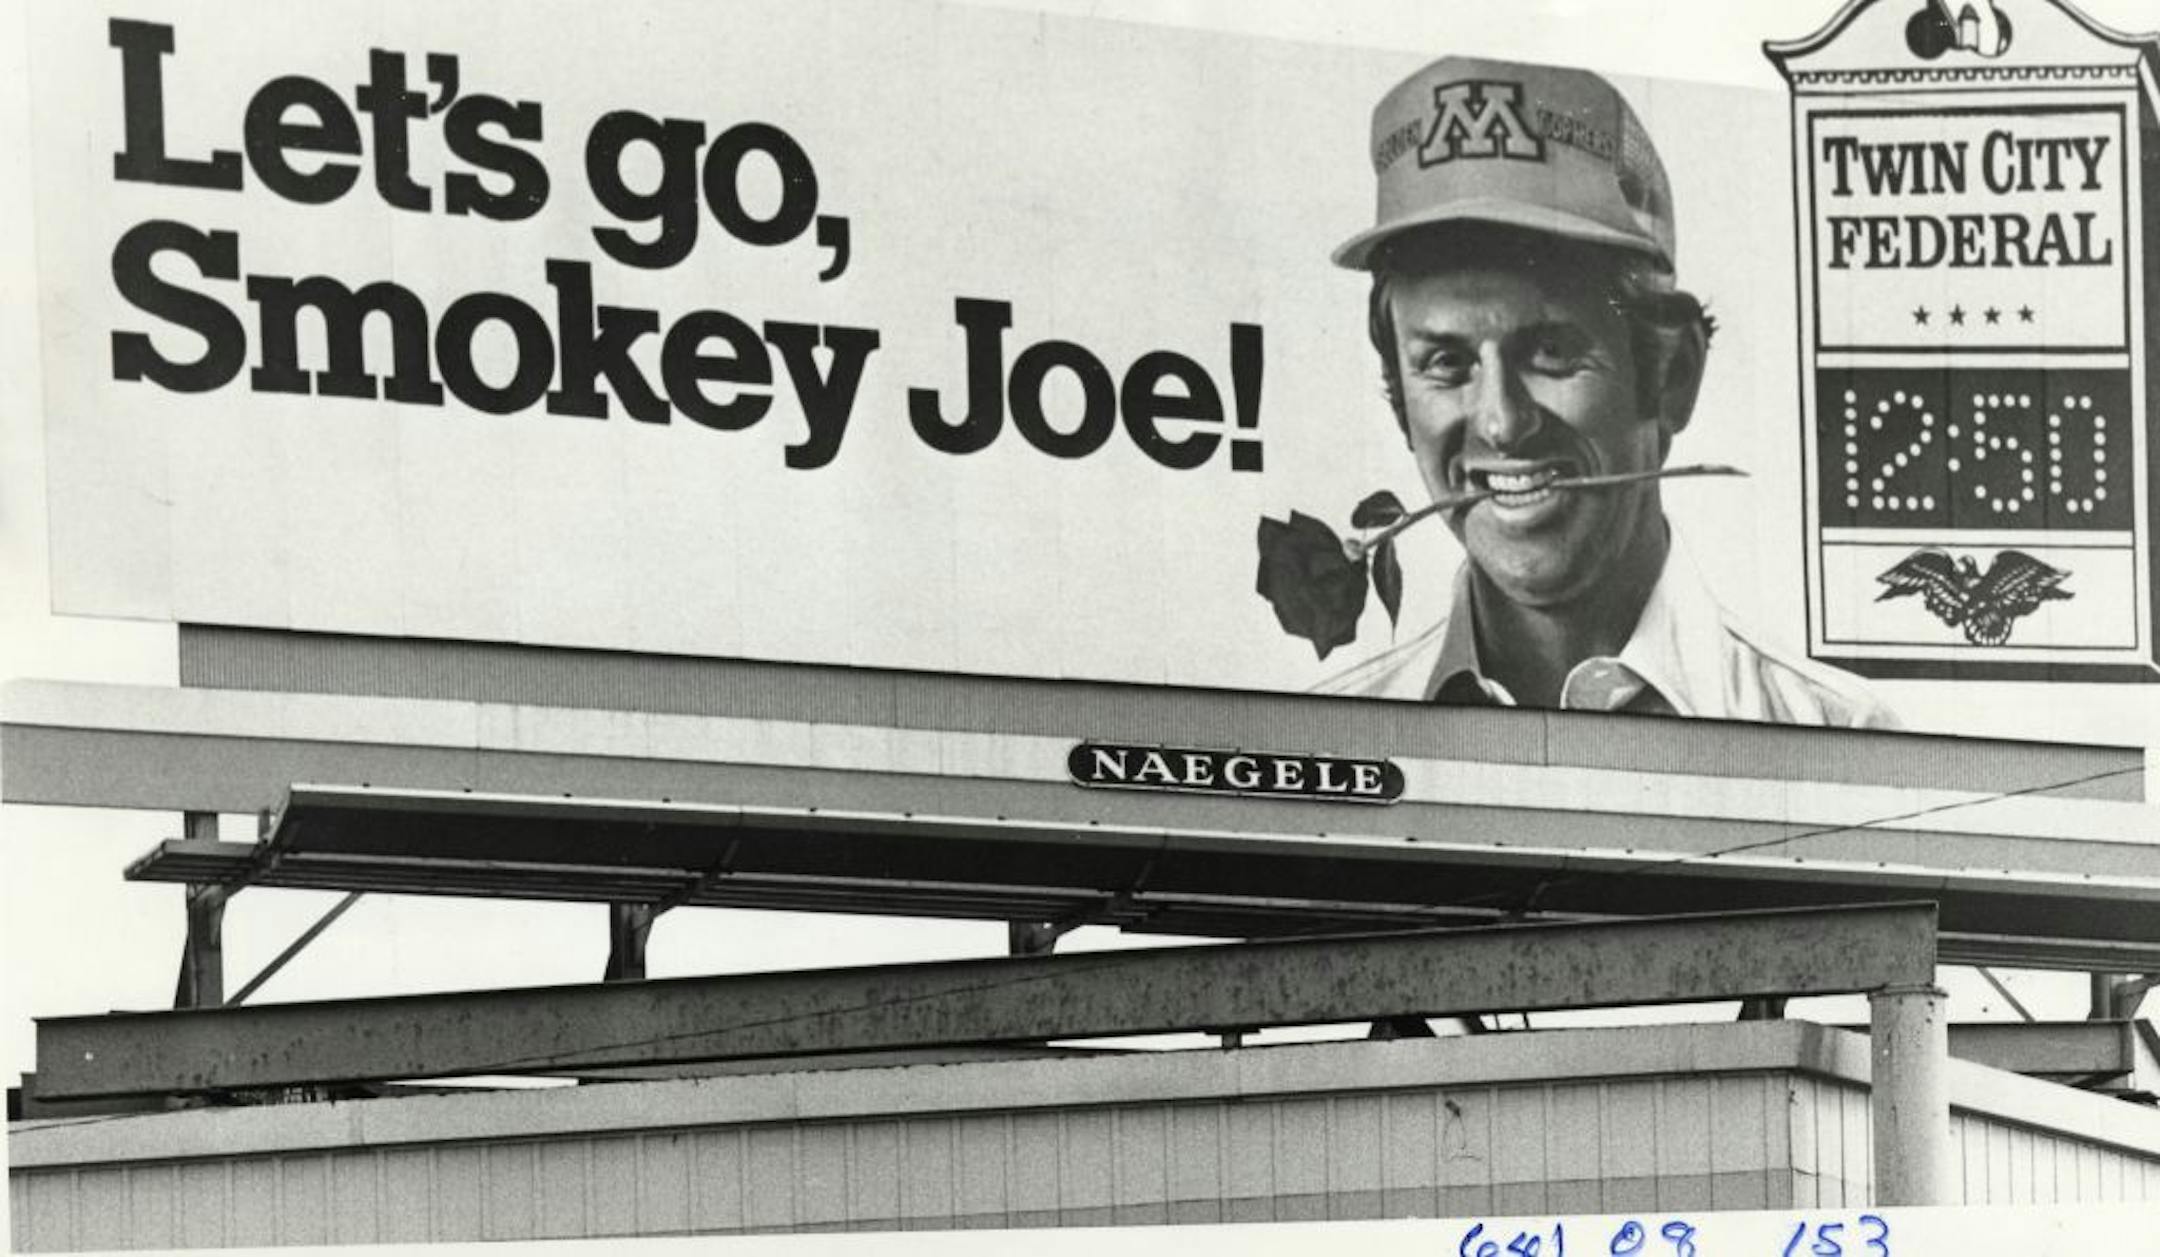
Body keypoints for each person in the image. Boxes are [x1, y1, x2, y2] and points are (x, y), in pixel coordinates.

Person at [1317, 56, 1894, 726]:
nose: (1501, 423)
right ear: (1398, 395)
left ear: (1673, 374)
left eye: (1552, 352)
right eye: (1447, 362)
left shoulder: (1841, 734)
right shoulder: (1328, 735)